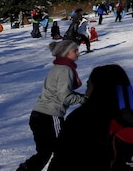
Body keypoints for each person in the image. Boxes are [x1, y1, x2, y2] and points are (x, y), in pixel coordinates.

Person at [48, 64, 133, 171]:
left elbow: (61, 161)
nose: (86, 92)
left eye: (88, 86)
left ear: (97, 88)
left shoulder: (80, 119)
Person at [17, 40, 86, 171]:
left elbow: (61, 92)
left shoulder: (58, 68)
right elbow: (65, 97)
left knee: (45, 153)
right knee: (63, 150)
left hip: (38, 115)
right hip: (50, 116)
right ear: (66, 53)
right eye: (75, 51)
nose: (78, 53)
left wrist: (81, 97)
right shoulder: (66, 70)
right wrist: (85, 100)